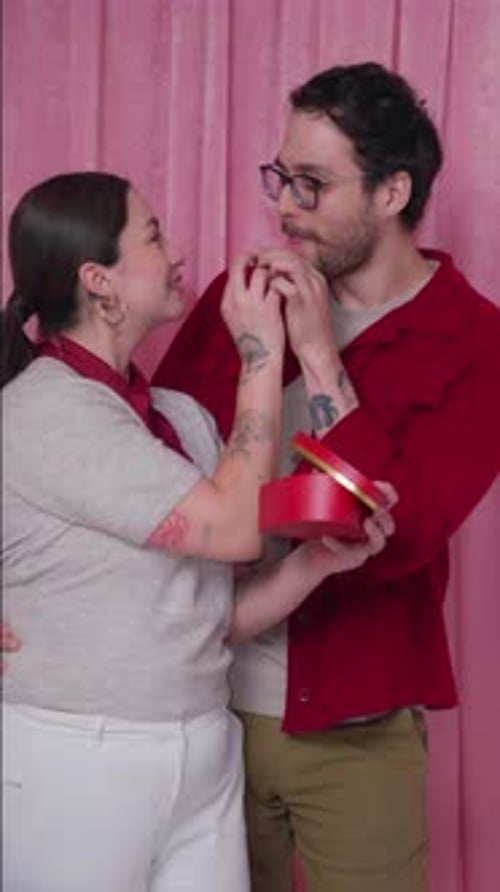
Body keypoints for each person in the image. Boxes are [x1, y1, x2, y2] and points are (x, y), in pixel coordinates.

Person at [152, 62, 500, 892]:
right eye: (281, 177)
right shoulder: (234, 301)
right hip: (200, 712)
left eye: (312, 184)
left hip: (356, 728)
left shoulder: (476, 341)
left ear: (392, 193)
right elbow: (158, 483)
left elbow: (404, 536)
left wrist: (315, 352)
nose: (283, 207)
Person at [1, 171, 395, 892]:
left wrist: (314, 564)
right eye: (153, 236)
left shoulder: (178, 418)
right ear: (100, 281)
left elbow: (212, 621)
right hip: (78, 759)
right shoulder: (47, 413)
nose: (180, 252)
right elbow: (234, 527)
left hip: (204, 753)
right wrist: (261, 351)